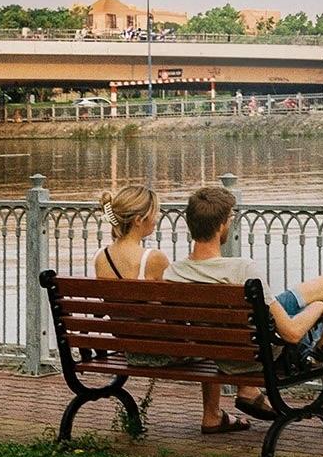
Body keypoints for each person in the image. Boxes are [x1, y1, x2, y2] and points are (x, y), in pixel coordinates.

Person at [163, 187, 323, 436]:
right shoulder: (243, 270)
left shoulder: (173, 273)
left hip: (224, 349)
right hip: (263, 354)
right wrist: (318, 309)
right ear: (223, 225)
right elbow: (290, 334)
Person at [93, 184, 252, 434]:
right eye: (154, 214)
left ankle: (243, 393)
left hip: (131, 349)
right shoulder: (153, 259)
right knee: (213, 330)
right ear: (138, 220)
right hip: (164, 354)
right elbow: (178, 309)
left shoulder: (101, 257)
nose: (157, 219)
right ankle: (216, 412)